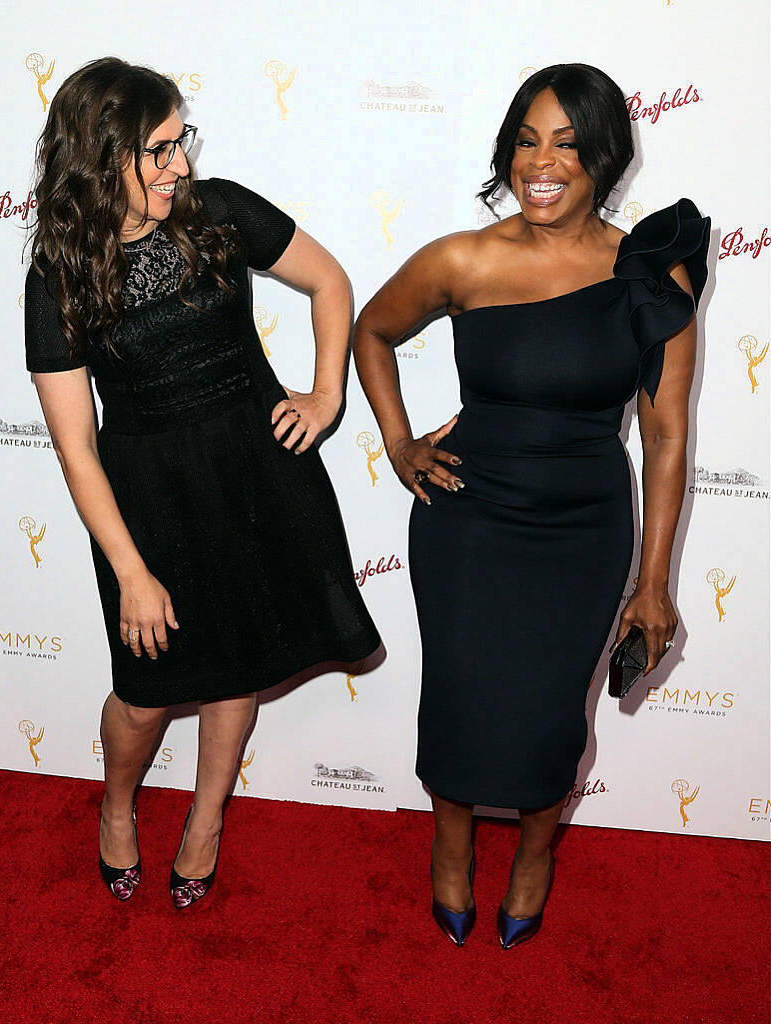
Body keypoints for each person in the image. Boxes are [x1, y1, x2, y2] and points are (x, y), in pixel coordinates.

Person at [352, 63, 709, 948]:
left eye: (566, 145)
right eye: (524, 140)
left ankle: (535, 855)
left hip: (582, 528)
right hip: (466, 517)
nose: (539, 163)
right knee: (460, 694)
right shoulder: (463, 258)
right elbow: (372, 330)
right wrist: (399, 445)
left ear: (603, 162)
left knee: (558, 707)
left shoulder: (647, 277)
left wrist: (652, 583)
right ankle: (448, 845)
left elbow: (665, 440)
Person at [24, 58, 380, 907]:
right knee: (144, 695)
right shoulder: (60, 275)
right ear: (99, 156)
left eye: (181, 140)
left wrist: (324, 392)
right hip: (148, 501)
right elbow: (78, 449)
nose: (179, 163)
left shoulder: (218, 212)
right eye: (157, 149)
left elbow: (330, 281)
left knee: (234, 671)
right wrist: (132, 574)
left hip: (257, 470)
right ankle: (117, 805)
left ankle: (205, 821)